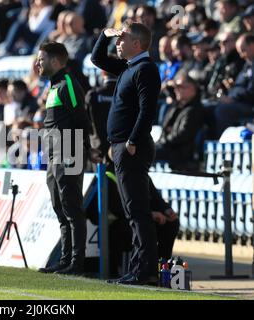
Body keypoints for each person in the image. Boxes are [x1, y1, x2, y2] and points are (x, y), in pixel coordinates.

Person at [91, 20, 161, 285]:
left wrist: (132, 140)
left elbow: (147, 110)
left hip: (132, 146)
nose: (118, 43)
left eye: (123, 39)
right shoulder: (129, 67)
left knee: (137, 211)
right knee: (133, 211)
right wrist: (105, 34)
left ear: (137, 43)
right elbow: (97, 58)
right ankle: (139, 268)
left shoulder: (145, 69)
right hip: (122, 146)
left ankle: (145, 271)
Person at [35, 41, 101, 275]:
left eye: (41, 59)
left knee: (72, 206)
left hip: (69, 150)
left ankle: (76, 262)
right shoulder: (54, 86)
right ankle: (65, 259)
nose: (37, 63)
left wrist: (88, 147)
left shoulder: (68, 84)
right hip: (54, 152)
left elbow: (81, 118)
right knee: (59, 205)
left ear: (55, 61)